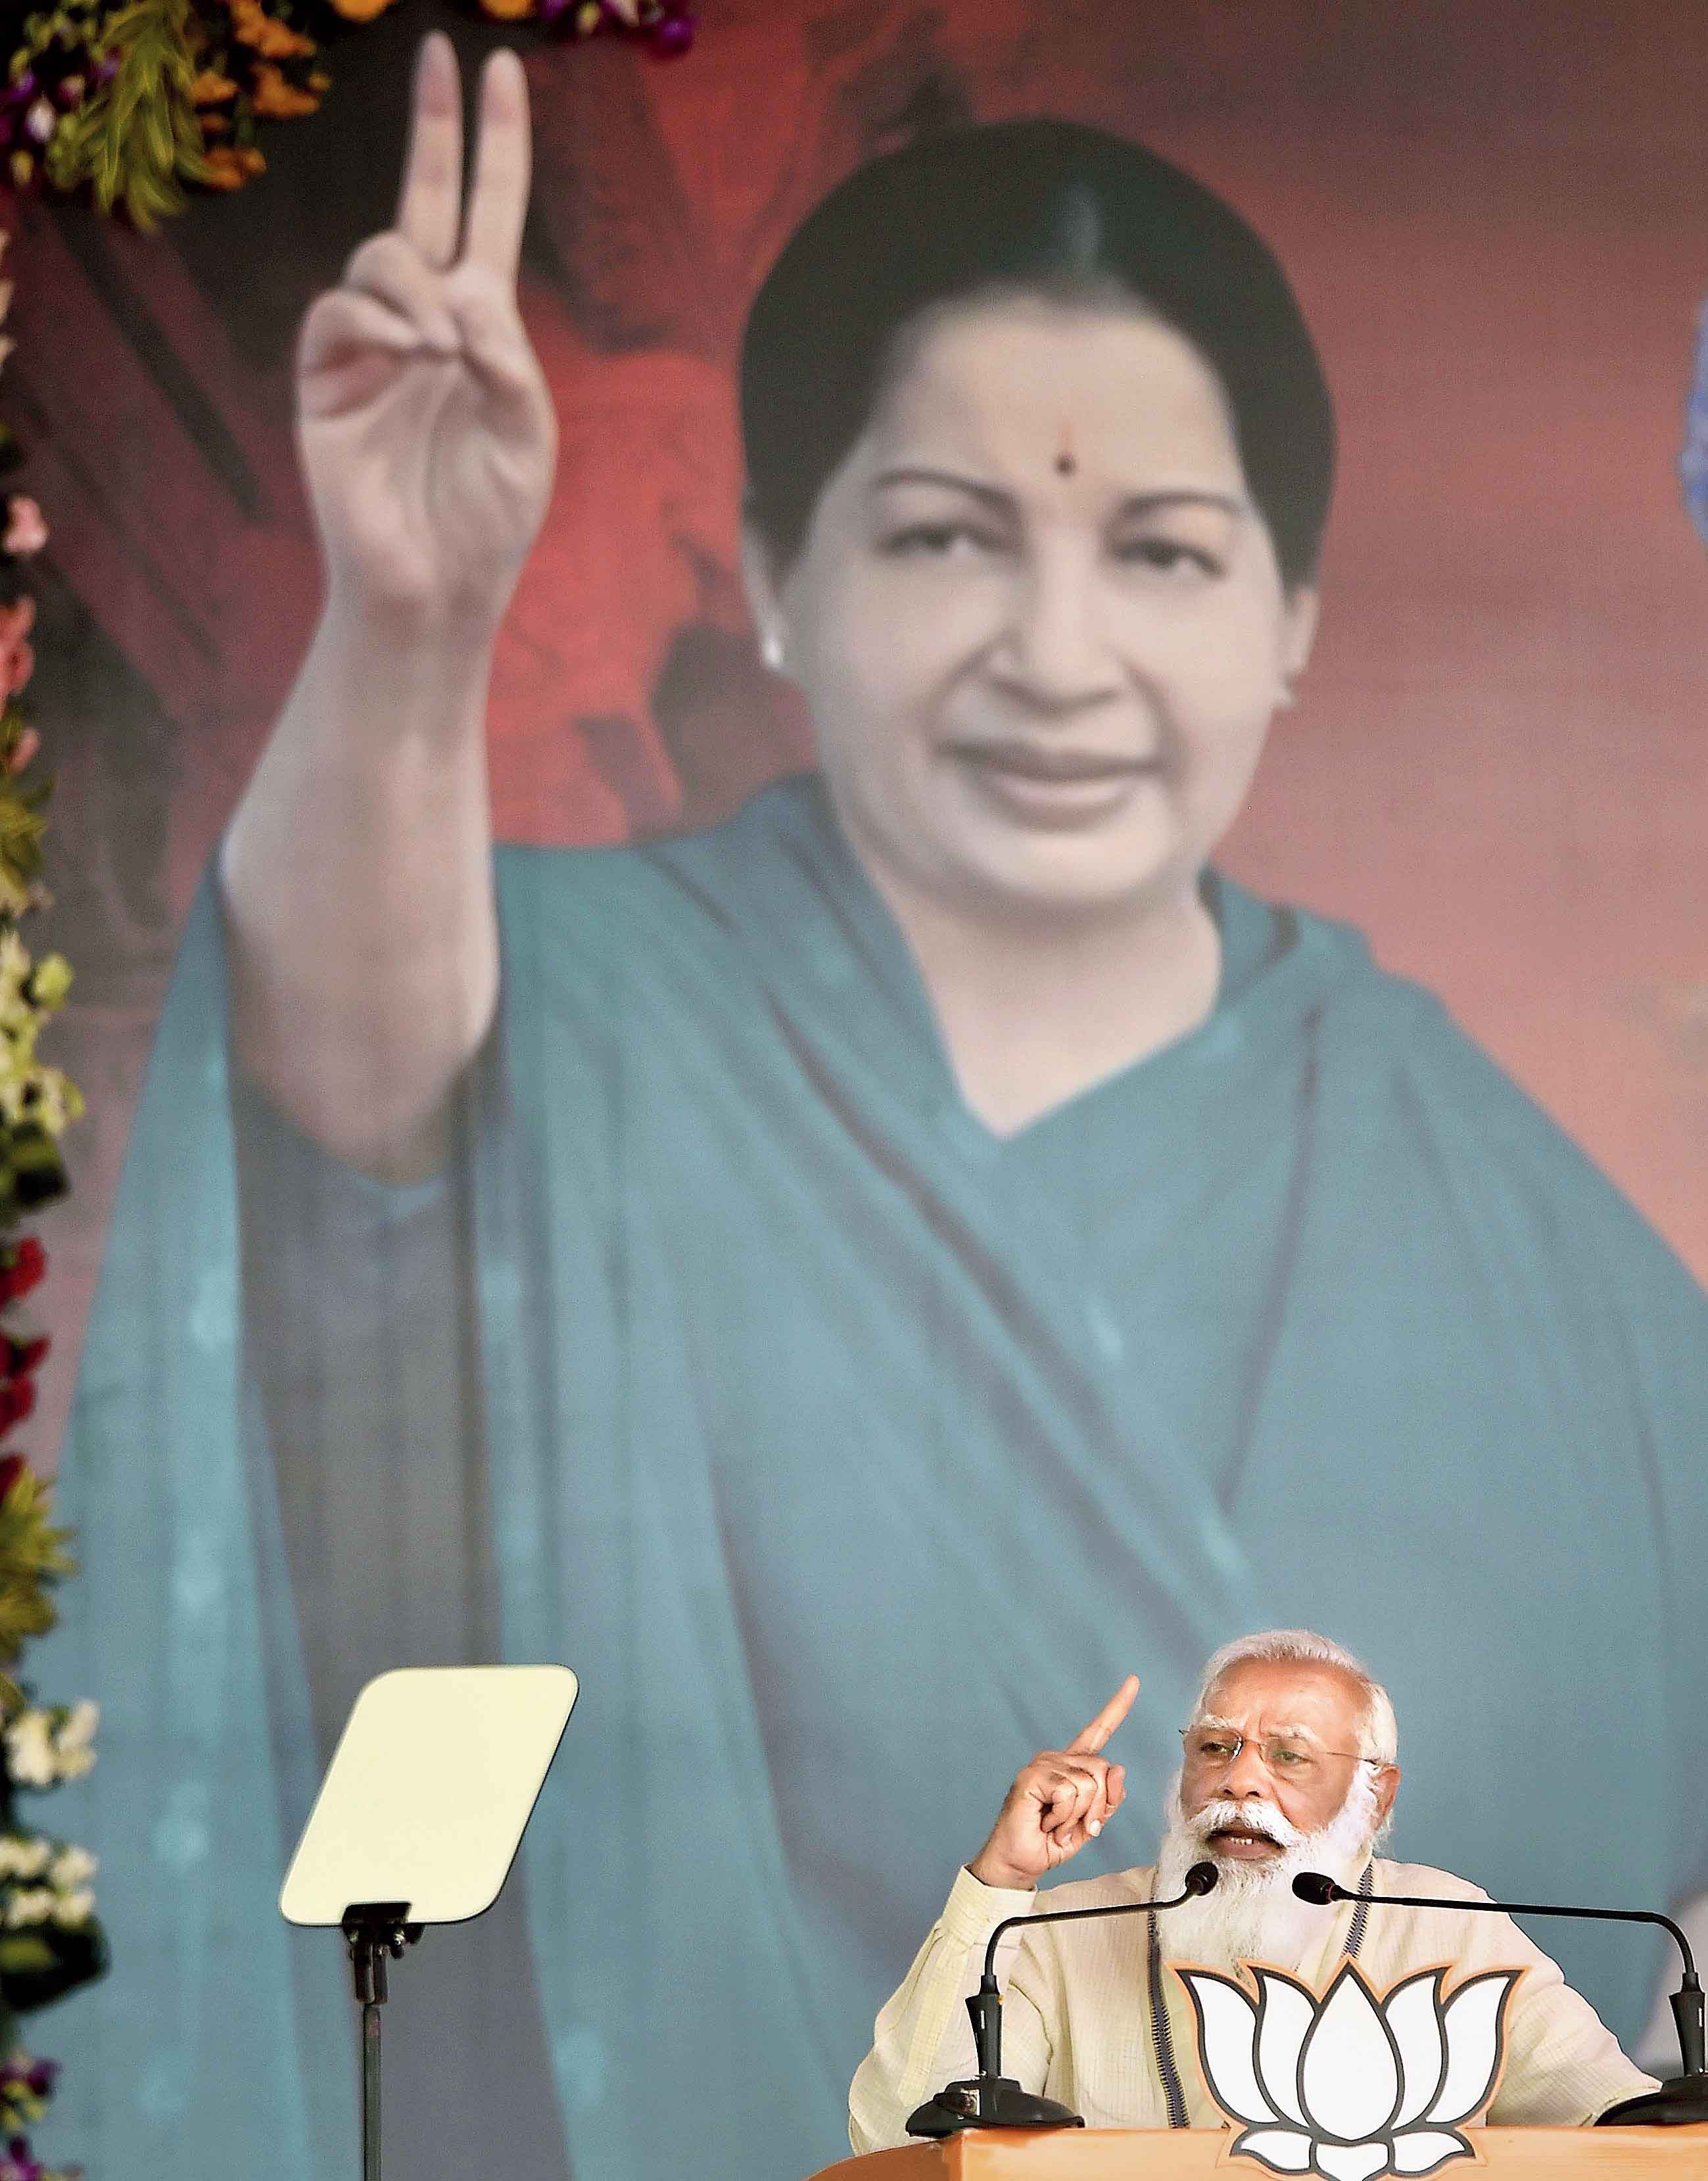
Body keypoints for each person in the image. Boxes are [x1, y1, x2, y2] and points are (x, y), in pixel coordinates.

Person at [37, 34, 1708, 2181]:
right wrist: (407, 632)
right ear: (773, 570)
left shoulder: (1488, 1193)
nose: (1054, 650)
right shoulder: (593, 1009)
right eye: (942, 535)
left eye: (1164, 558)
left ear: (1284, 619)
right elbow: (348, 1109)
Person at [851, 1631, 1658, 2146]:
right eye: (1215, 1746)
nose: (1238, 1782)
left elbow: (1623, 2122)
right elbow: (901, 2136)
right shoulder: (1062, 1930)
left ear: (1376, 1796)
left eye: (1290, 1756)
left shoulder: (1451, 1929)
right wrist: (1005, 1880)